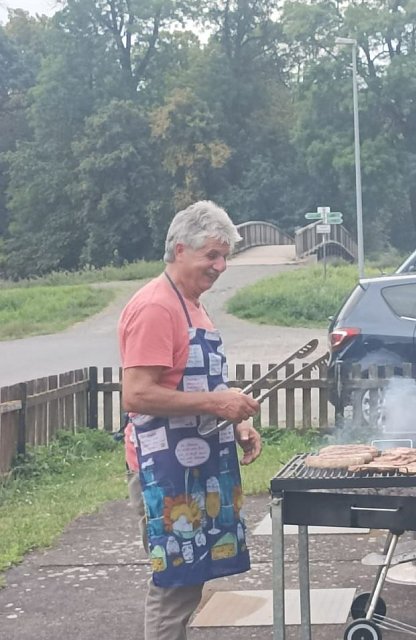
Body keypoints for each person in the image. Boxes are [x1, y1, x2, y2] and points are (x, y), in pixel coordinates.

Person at [118, 200, 262, 640]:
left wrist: (236, 421)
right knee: (174, 582)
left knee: (191, 575)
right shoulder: (157, 308)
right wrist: (218, 405)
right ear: (180, 249)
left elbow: (202, 382)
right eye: (211, 255)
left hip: (198, 463)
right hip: (165, 469)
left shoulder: (193, 305)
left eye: (224, 257)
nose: (220, 266)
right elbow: (137, 394)